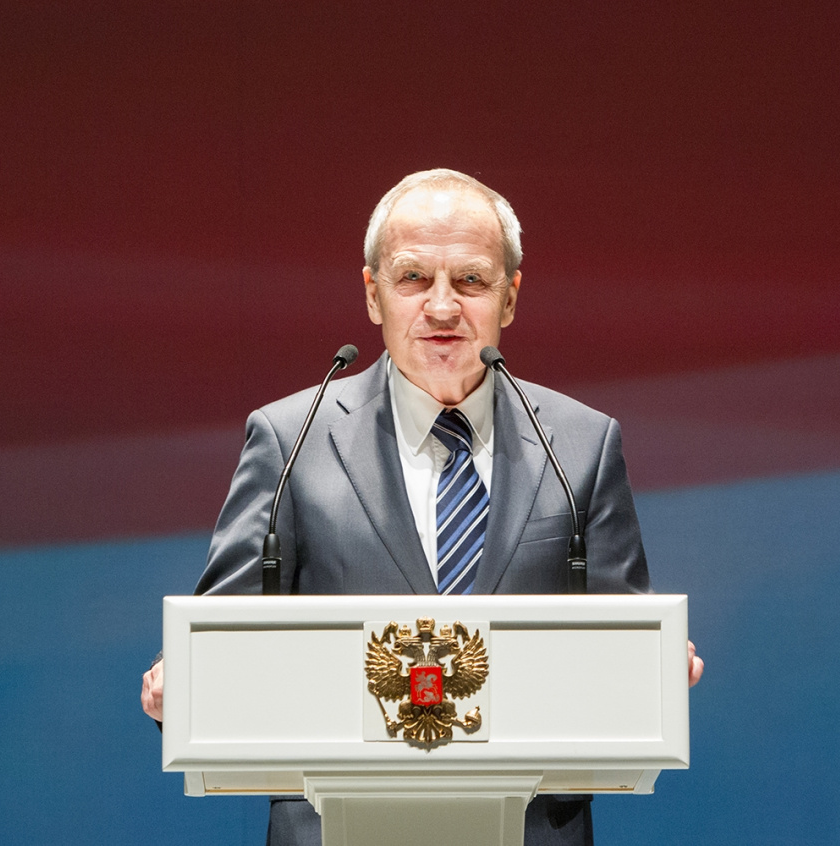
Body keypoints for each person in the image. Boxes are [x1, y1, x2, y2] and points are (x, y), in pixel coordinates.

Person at [141, 168, 704, 845]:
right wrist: (182, 686)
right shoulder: (292, 440)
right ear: (372, 293)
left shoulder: (581, 444)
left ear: (510, 297)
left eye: (470, 280)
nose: (441, 306)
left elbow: (621, 648)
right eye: (413, 278)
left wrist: (654, 670)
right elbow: (220, 639)